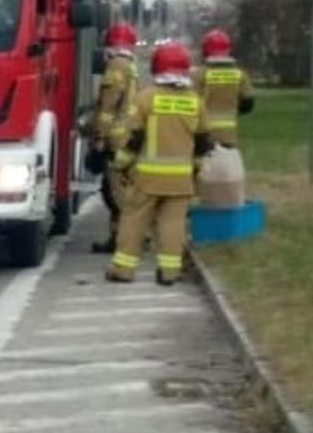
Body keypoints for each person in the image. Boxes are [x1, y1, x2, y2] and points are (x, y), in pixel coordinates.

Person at [106, 42, 209, 286]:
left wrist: (121, 165)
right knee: (173, 224)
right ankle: (169, 272)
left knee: (133, 220)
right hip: (181, 178)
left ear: (157, 68)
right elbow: (203, 141)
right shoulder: (195, 101)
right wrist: (195, 168)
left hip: (147, 177)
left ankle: (123, 270)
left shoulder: (145, 98)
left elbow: (134, 140)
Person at [91, 22, 141, 254]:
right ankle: (117, 237)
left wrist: (99, 136)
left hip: (116, 139)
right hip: (129, 136)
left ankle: (130, 237)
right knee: (117, 190)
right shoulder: (131, 65)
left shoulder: (116, 66)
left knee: (116, 192)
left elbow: (107, 107)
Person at [195, 29, 255, 148]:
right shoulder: (240, 74)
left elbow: (193, 101)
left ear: (205, 50)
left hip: (204, 134)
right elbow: (248, 104)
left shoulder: (200, 74)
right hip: (229, 135)